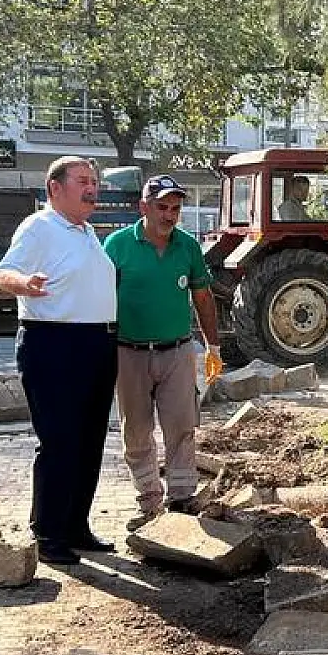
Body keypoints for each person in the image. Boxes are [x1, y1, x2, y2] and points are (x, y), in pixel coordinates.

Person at [0, 156, 118, 566]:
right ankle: (48, 533)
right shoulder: (40, 227)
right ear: (54, 188)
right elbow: (5, 273)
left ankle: (76, 526)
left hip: (96, 344)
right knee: (60, 441)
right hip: (54, 344)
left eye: (95, 181)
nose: (92, 188)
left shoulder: (85, 232)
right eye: (83, 181)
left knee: (89, 442)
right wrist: (25, 285)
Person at [103, 174, 225, 531]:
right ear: (144, 207)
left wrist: (212, 347)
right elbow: (99, 300)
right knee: (137, 430)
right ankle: (148, 500)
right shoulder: (117, 246)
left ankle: (183, 497)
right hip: (130, 352)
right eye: (162, 207)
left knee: (181, 425)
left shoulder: (187, 247)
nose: (169, 215)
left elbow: (203, 297)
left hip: (176, 351)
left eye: (175, 208)